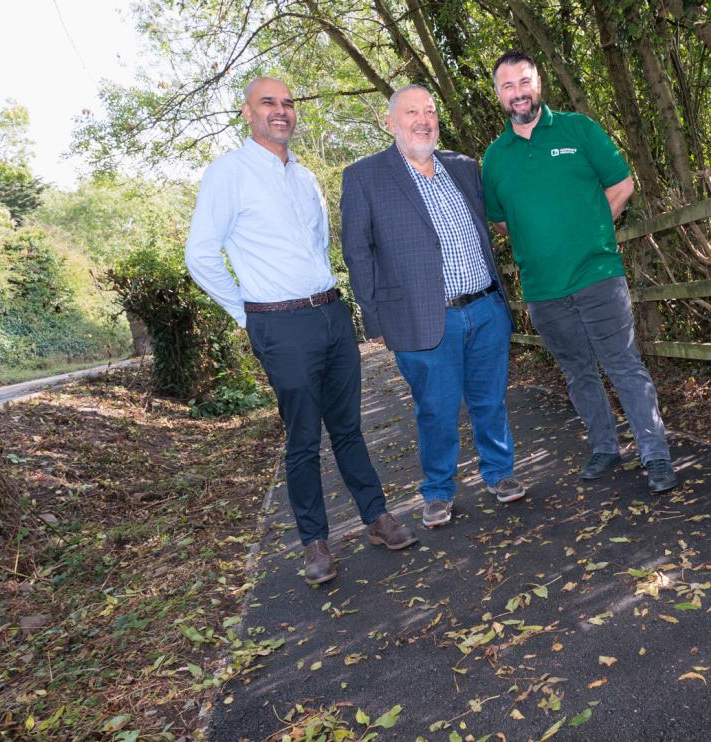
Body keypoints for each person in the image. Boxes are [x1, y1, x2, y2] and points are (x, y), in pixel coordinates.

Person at [185, 76, 416, 586]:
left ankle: (376, 517)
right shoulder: (229, 173)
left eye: (288, 103)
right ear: (246, 112)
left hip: (331, 314)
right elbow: (200, 254)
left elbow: (319, 248)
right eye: (268, 102)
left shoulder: (306, 177)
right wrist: (248, 313)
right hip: (277, 321)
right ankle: (315, 542)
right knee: (304, 438)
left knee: (349, 428)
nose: (281, 111)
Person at [482, 51, 678, 494]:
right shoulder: (494, 158)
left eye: (525, 81)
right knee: (577, 371)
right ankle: (605, 446)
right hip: (543, 289)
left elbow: (623, 183)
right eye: (508, 86)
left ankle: (655, 453)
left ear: (539, 83)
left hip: (598, 276)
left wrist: (589, 234)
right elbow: (501, 220)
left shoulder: (578, 129)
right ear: (498, 94)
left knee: (622, 363)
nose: (518, 92)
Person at [341, 84, 526, 528]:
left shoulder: (463, 167)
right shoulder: (365, 176)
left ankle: (500, 474)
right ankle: (439, 490)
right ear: (390, 122)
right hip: (423, 319)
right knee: (436, 409)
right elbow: (357, 252)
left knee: (490, 401)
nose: (423, 120)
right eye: (411, 112)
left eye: (429, 111)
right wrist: (374, 319)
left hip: (484, 308)